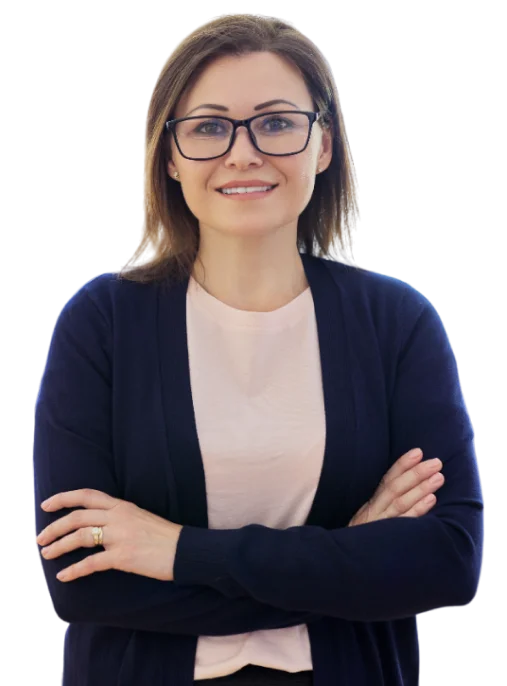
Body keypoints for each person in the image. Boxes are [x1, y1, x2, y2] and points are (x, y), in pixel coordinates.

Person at [32, 12, 485, 686]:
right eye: (208, 127)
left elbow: (447, 561)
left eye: (275, 122)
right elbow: (81, 579)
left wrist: (176, 551)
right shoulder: (102, 324)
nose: (243, 154)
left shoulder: (395, 322)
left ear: (323, 145)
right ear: (170, 156)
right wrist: (348, 557)